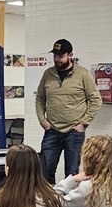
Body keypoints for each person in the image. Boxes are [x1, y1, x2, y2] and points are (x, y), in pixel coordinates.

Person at [35, 38, 102, 182]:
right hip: (51, 130)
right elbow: (40, 98)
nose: (57, 59)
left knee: (71, 174)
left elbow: (96, 100)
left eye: (61, 56)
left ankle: (69, 203)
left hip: (74, 132)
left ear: (70, 55)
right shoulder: (48, 74)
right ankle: (47, 201)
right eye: (55, 56)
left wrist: (84, 123)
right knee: (45, 170)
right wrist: (43, 121)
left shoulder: (82, 74)